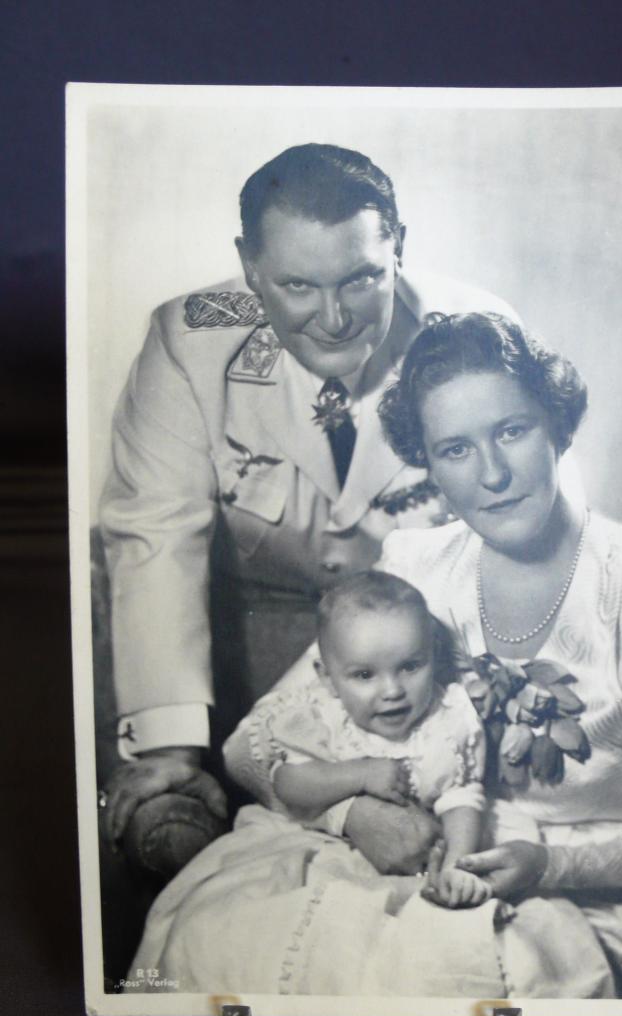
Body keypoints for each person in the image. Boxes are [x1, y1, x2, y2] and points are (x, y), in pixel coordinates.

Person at [126, 311, 622, 999]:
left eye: (512, 431)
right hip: (373, 860)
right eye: (455, 450)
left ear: (555, 423)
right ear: (429, 465)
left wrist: (551, 867)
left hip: (560, 899)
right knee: (219, 936)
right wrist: (352, 815)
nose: (492, 474)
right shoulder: (413, 563)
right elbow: (250, 747)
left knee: (441, 978)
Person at [98, 143, 523, 851]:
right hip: (244, 667)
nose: (333, 318)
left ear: (400, 250)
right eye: (297, 287)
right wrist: (171, 747)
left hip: (429, 673)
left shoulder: (475, 337)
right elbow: (155, 536)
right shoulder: (190, 341)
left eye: (359, 280)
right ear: (250, 267)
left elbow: (525, 532)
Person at [223, 571, 491, 909]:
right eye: (365, 675)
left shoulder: (447, 721)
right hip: (324, 850)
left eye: (410, 666)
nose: (392, 691)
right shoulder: (323, 718)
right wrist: (359, 774)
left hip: (419, 865)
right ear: (328, 679)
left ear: (433, 658)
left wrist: (457, 866)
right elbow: (288, 783)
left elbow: (461, 798)